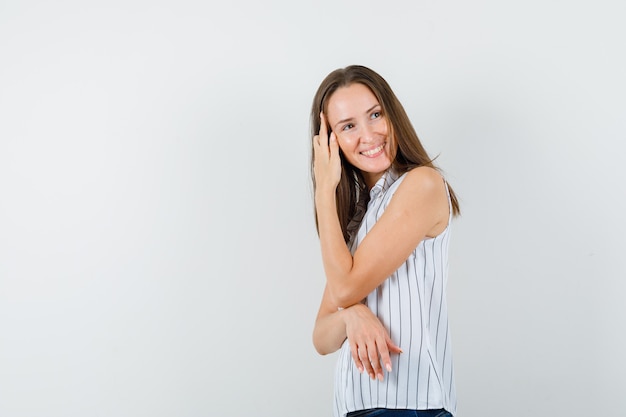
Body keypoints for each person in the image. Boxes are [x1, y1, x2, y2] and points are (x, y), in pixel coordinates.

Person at [310, 65, 461, 417]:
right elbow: (321, 336)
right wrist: (352, 318)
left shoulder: (421, 184)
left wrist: (322, 193)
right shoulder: (360, 216)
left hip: (413, 407)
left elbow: (345, 290)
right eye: (348, 126)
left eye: (375, 114)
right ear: (330, 141)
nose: (368, 134)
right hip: (356, 407)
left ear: (392, 115)